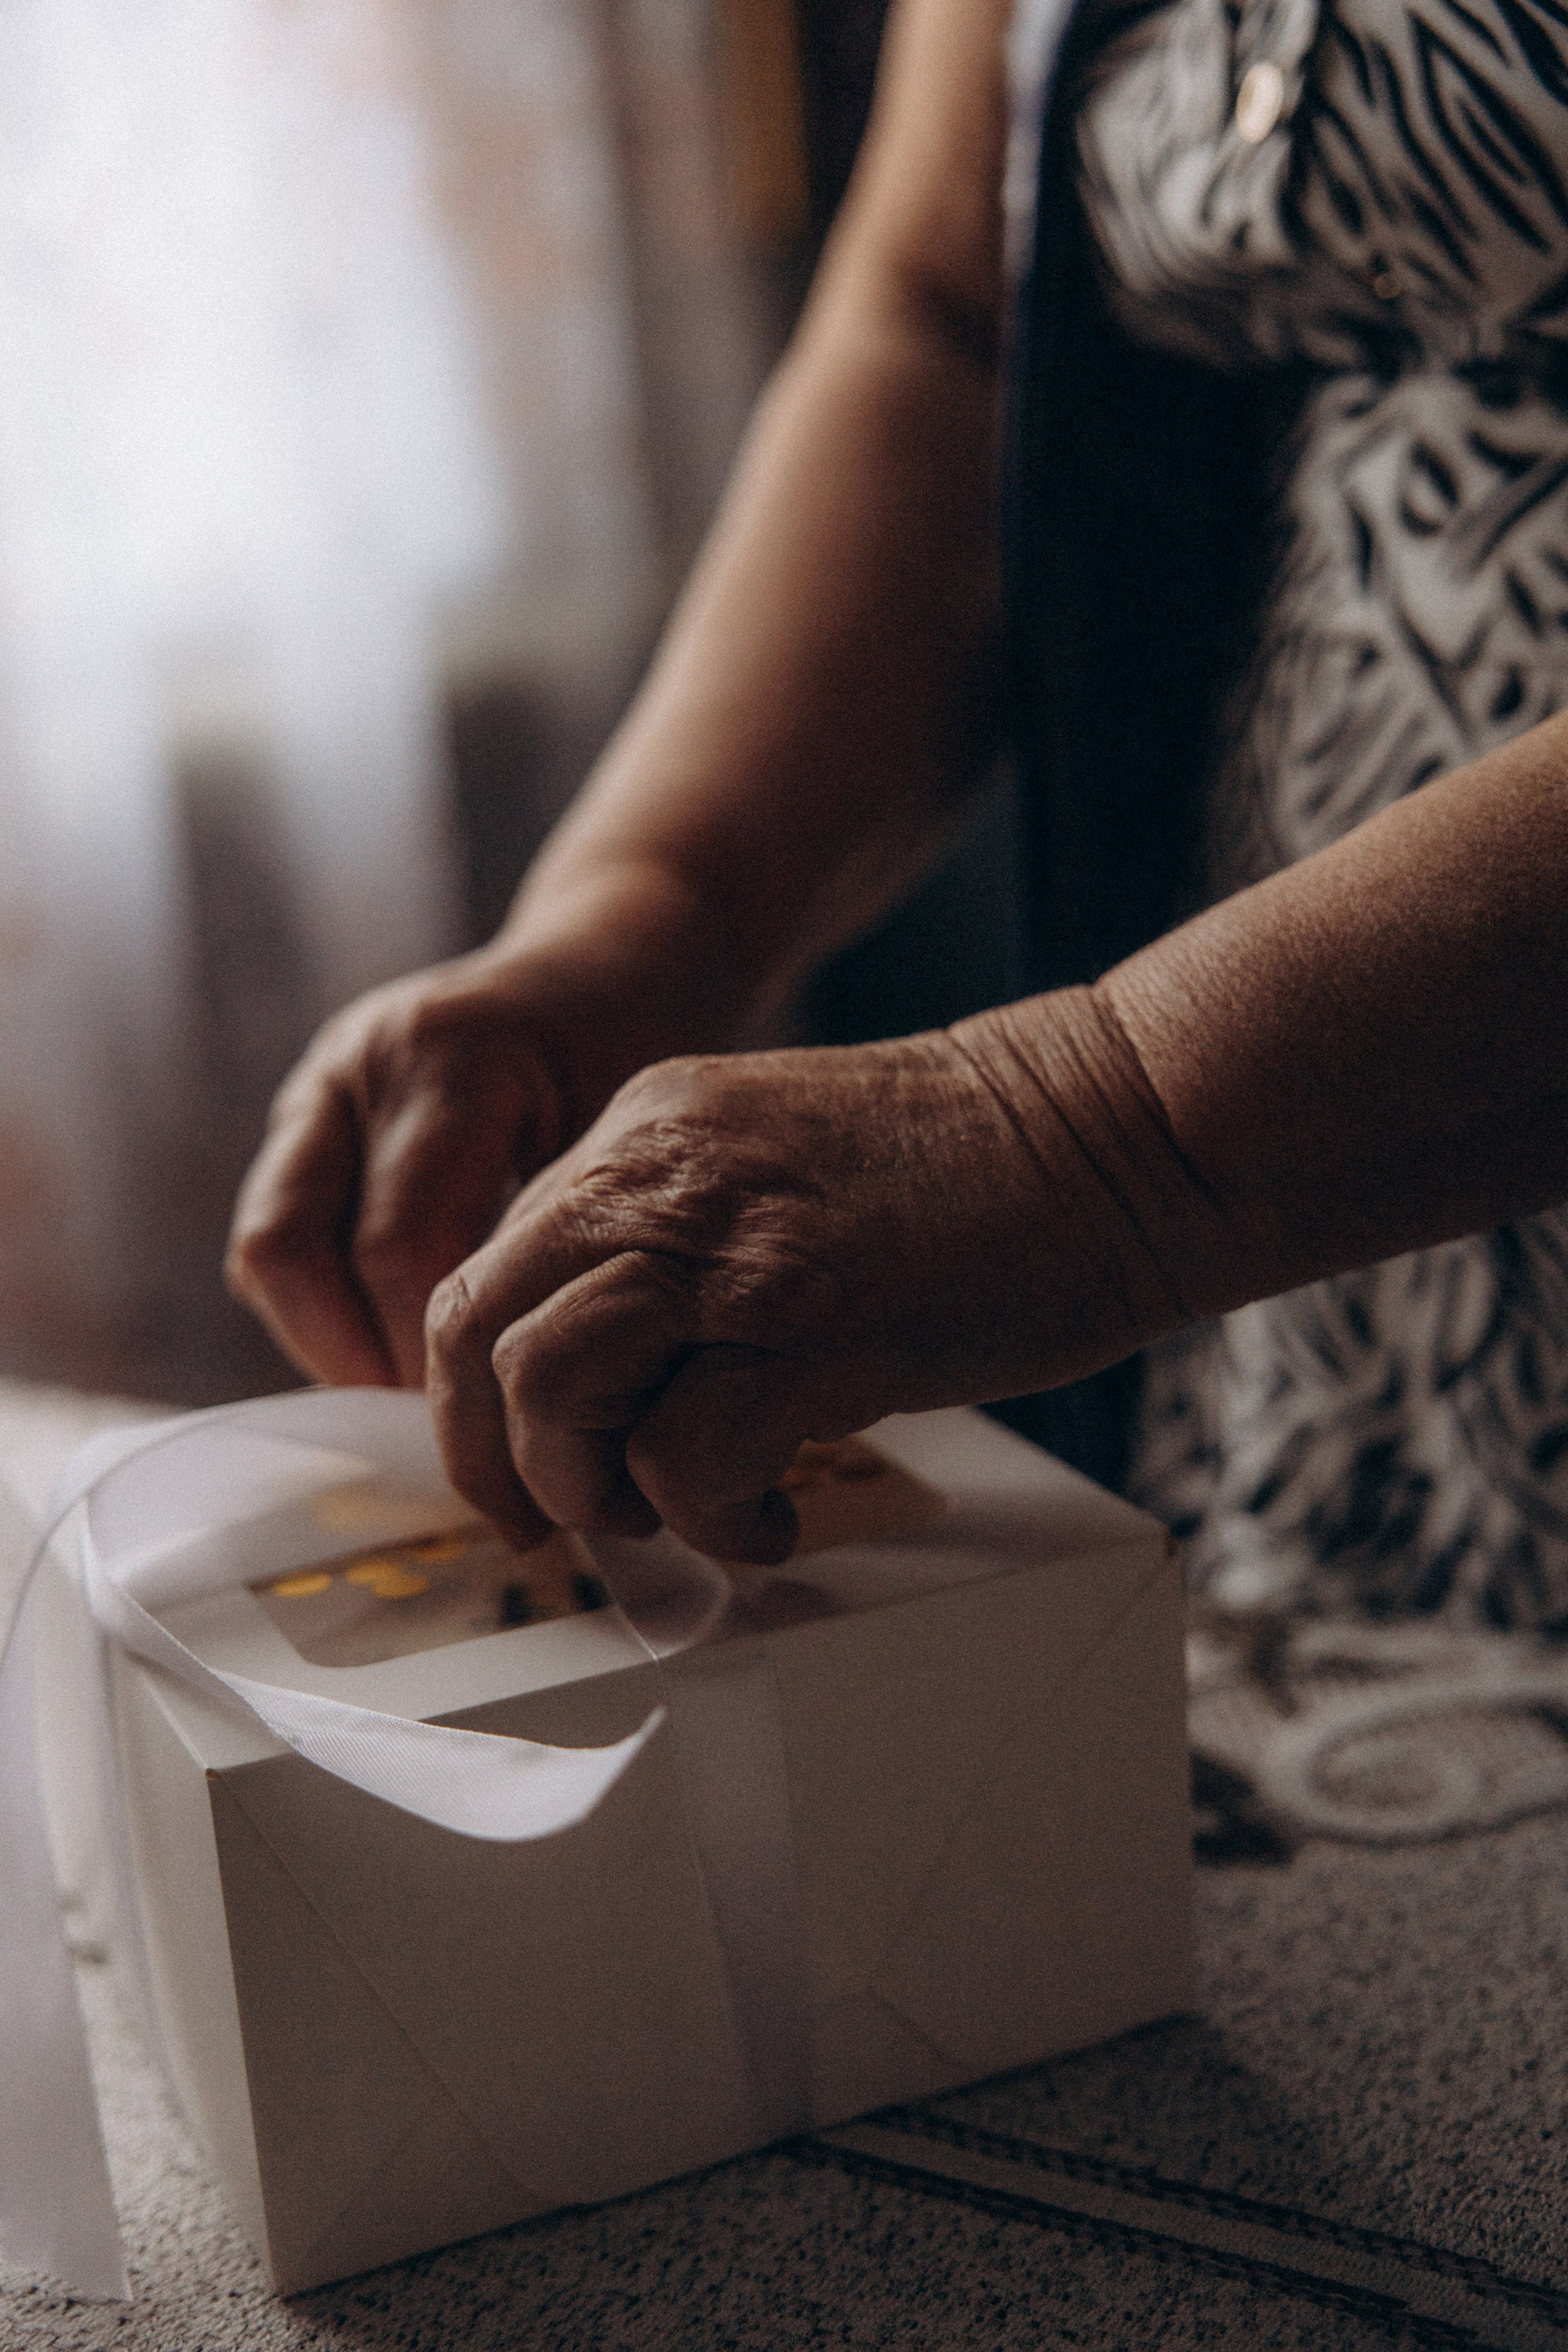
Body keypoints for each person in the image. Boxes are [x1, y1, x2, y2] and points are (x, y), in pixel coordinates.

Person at [228, 0, 1568, 1625]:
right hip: (1327, 1204)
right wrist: (644, 918)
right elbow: (953, 319)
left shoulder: (1134, 1157)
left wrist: (1095, 1130)